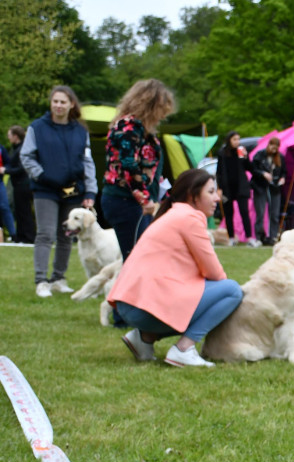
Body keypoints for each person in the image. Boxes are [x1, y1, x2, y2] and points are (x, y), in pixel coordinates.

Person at [107, 169, 242, 368]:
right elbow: (216, 274)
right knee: (231, 291)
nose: (217, 198)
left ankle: (144, 339)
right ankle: (184, 349)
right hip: (144, 309)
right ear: (192, 195)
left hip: (129, 305)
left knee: (207, 291)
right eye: (211, 192)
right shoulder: (189, 219)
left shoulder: (172, 215)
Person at [20, 85, 97, 297]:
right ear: (51, 103)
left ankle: (58, 278)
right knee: (45, 233)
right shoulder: (37, 127)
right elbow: (26, 156)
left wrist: (90, 192)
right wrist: (41, 175)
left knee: (67, 235)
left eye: (63, 102)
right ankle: (41, 281)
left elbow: (88, 162)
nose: (59, 105)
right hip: (45, 188)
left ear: (71, 104)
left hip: (73, 190)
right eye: (55, 101)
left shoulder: (81, 131)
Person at [101, 79, 177, 259]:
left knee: (144, 257)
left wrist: (167, 198)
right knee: (137, 260)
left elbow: (152, 170)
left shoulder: (144, 130)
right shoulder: (128, 127)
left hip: (137, 202)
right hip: (124, 201)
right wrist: (144, 199)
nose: (163, 116)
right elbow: (129, 165)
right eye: (161, 110)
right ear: (150, 105)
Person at [216, 131, 254, 246]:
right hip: (227, 188)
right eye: (234, 139)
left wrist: (246, 157)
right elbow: (219, 172)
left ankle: (249, 238)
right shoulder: (222, 153)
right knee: (228, 214)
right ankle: (231, 238)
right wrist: (219, 188)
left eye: (238, 139)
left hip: (241, 187)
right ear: (229, 140)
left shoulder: (240, 151)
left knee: (244, 212)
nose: (237, 142)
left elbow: (249, 168)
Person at [251, 136, 287, 246]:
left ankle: (273, 237)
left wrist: (282, 178)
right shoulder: (259, 155)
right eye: (272, 146)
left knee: (275, 214)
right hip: (260, 187)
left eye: (276, 147)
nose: (274, 149)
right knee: (260, 213)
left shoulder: (280, 157)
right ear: (268, 145)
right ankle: (259, 237)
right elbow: (253, 169)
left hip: (275, 188)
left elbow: (284, 172)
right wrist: (263, 174)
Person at [5, 126, 36, 243]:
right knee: (19, 210)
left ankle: (28, 236)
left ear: (15, 136)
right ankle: (21, 236)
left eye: (9, 135)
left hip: (23, 183)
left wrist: (5, 171)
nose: (8, 138)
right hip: (18, 183)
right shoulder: (16, 148)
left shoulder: (22, 149)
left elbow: (21, 168)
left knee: (24, 211)